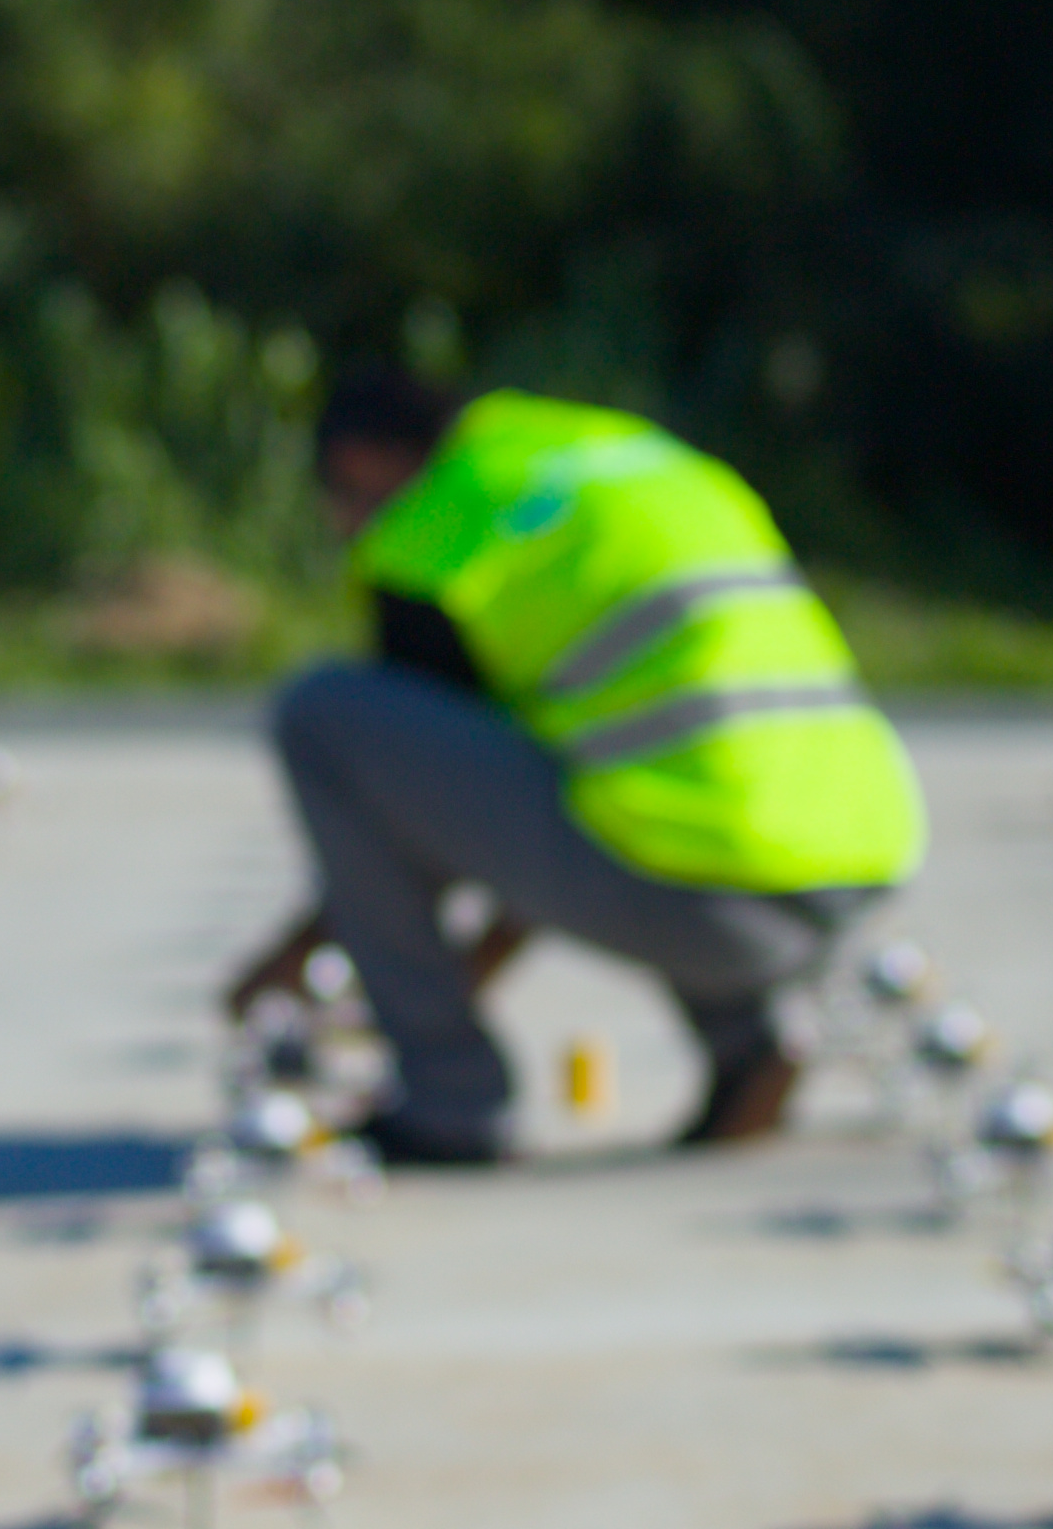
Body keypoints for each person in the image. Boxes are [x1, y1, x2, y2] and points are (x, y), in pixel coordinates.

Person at [223, 372, 922, 1160]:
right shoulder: (614, 454)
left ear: (362, 463)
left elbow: (442, 818)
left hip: (712, 899)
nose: (346, 527)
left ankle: (450, 1100)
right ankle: (747, 1045)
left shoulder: (439, 525)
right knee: (652, 777)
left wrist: (297, 965)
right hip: (853, 872)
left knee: (323, 714)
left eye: (338, 503)